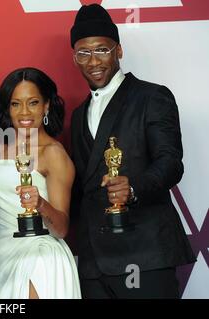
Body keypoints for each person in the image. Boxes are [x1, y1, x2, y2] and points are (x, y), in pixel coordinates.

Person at [69, 4, 196, 298]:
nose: (93, 61)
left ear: (119, 51)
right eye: (83, 53)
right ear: (74, 57)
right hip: (93, 264)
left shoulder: (152, 96)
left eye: (101, 49)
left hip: (144, 254)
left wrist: (134, 188)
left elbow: (171, 163)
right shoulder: (77, 115)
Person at [0, 67, 81, 299]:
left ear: (46, 106)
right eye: (15, 104)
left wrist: (40, 204)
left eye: (33, 102)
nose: (24, 112)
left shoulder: (54, 154)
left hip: (38, 258)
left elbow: (61, 228)